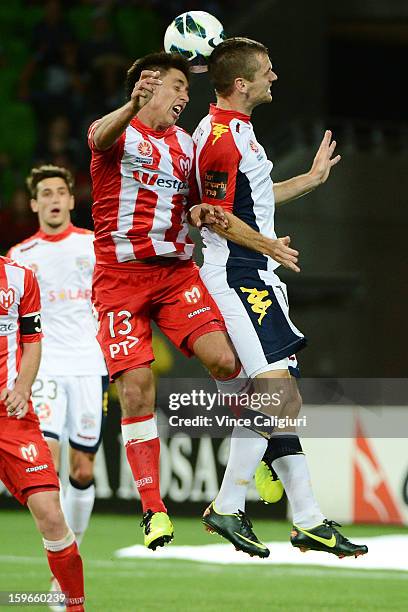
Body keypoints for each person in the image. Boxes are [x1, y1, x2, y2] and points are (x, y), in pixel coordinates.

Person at [88, 50, 299, 553]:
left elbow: (226, 202)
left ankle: (262, 457)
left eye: (188, 89)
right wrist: (130, 105)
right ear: (148, 86)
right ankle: (153, 510)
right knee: (137, 390)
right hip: (120, 280)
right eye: (177, 86)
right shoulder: (115, 133)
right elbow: (98, 138)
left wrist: (204, 208)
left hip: (175, 275)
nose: (186, 96)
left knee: (226, 359)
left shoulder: (186, 144)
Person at [193, 37, 368, 559]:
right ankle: (230, 506)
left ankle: (307, 520)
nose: (274, 78)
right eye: (267, 71)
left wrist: (311, 180)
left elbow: (256, 199)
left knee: (280, 399)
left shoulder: (238, 133)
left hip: (259, 275)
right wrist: (266, 244)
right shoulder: (222, 137)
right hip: (240, 274)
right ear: (241, 83)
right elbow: (215, 212)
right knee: (278, 397)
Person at [8, 165, 108, 575]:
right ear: (34, 204)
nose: (52, 199)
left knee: (82, 469)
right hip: (43, 369)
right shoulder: (19, 258)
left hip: (89, 366)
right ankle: (60, 569)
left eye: (59, 192)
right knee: (46, 468)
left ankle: (73, 555)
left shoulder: (94, 246)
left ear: (71, 200)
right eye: (44, 193)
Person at [0, 255, 85, 611]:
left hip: (12, 415)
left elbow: (32, 339)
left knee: (51, 512)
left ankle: (75, 607)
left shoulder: (19, 276)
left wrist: (22, 387)